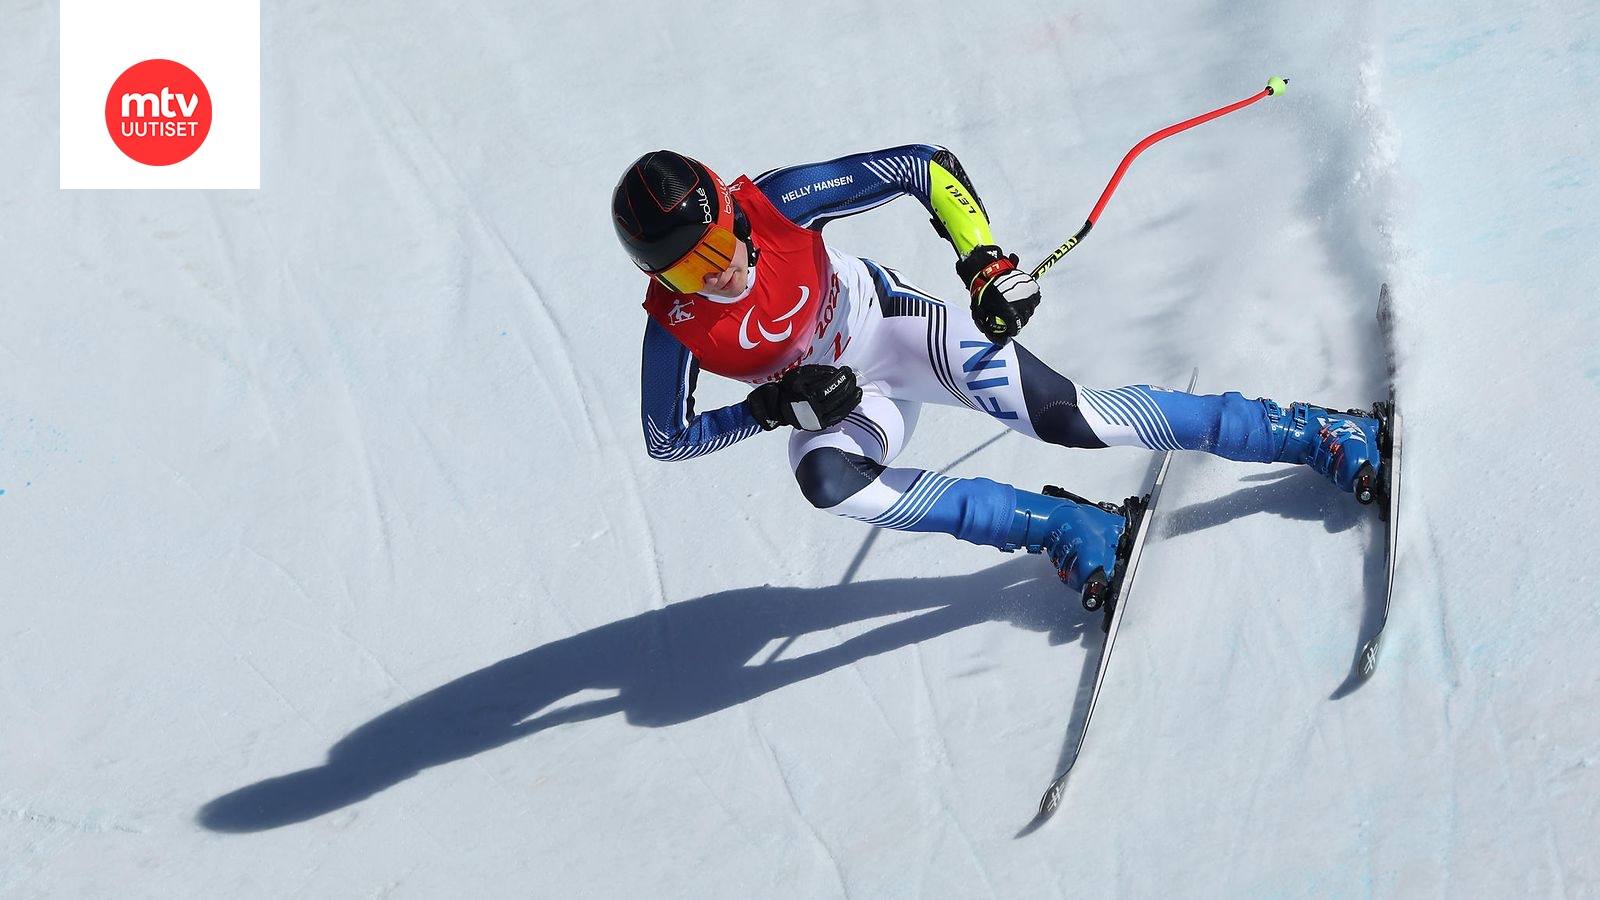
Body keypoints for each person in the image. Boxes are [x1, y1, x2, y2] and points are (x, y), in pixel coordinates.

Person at [611, 146, 1382, 607]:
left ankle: (1313, 431)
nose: (711, 279)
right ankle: (1073, 528)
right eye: (682, 271)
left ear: (731, 215)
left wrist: (983, 264)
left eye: (712, 251)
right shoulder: (671, 326)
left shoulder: (777, 203)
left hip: (893, 331)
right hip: (840, 408)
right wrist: (775, 405)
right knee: (828, 484)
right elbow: (666, 440)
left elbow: (924, 167)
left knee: (1071, 418)